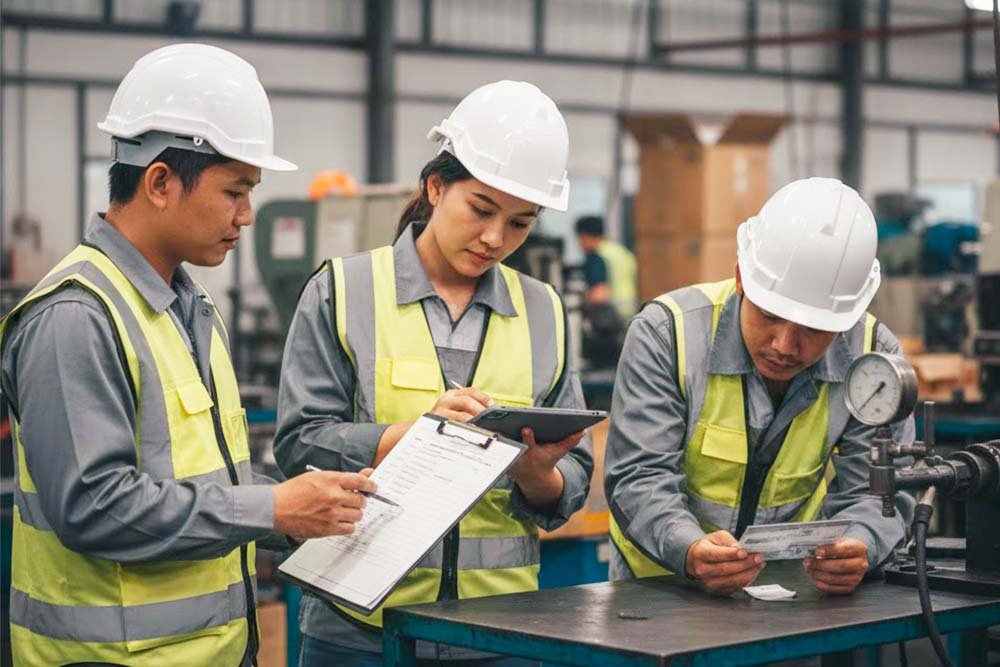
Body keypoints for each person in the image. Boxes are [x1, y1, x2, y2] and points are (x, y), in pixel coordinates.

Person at [0, 44, 376, 667]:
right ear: (160, 182)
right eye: (235, 190)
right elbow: (94, 507)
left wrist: (298, 507)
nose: (248, 215)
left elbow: (201, 481)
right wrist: (271, 506)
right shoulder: (77, 317)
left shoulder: (188, 307)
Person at [275, 80, 594, 665]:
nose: (495, 239)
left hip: (501, 634)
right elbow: (299, 444)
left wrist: (537, 475)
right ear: (435, 186)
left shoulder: (545, 310)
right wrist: (409, 437)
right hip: (359, 631)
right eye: (480, 210)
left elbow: (569, 478)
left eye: (521, 223)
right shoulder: (342, 292)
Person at [605, 177, 916, 597]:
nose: (785, 346)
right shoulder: (668, 334)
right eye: (770, 315)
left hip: (792, 597)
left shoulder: (871, 354)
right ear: (740, 278)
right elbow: (638, 474)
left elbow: (881, 491)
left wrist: (861, 542)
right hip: (658, 593)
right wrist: (689, 549)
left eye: (814, 328)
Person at [575, 215, 637, 320]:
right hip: (630, 311)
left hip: (611, 316)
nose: (579, 243)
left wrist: (581, 302)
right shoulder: (621, 251)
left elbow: (600, 294)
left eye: (580, 237)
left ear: (586, 236)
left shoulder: (597, 256)